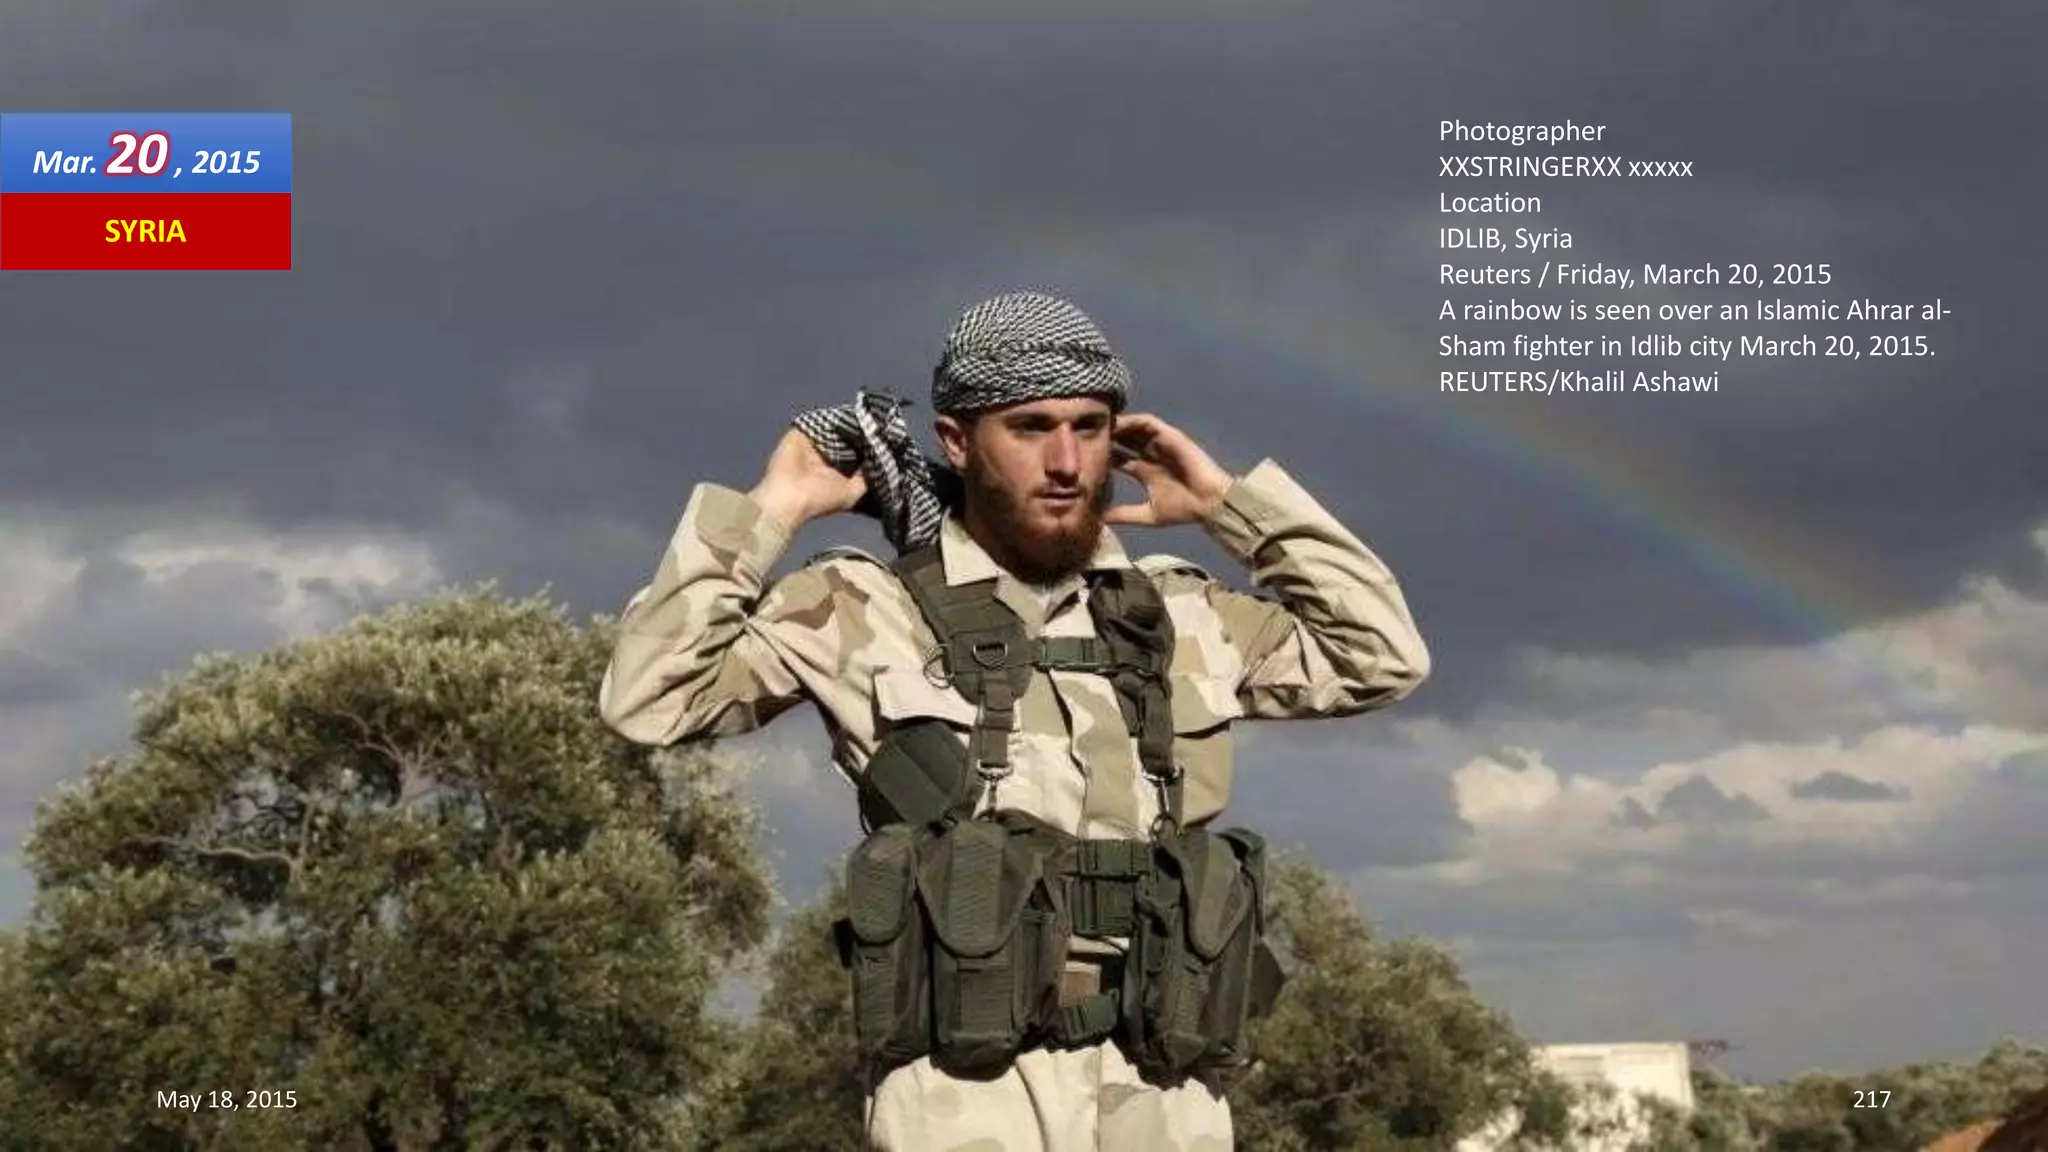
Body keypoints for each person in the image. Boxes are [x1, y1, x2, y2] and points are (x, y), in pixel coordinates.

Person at [598, 291, 1430, 1150]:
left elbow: (1380, 656)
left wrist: (1230, 506)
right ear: (957, 441)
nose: (1066, 461)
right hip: (965, 1094)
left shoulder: (1180, 613)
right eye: (1030, 428)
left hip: (1166, 1088)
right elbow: (647, 698)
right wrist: (774, 508)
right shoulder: (859, 605)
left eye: (1090, 428)